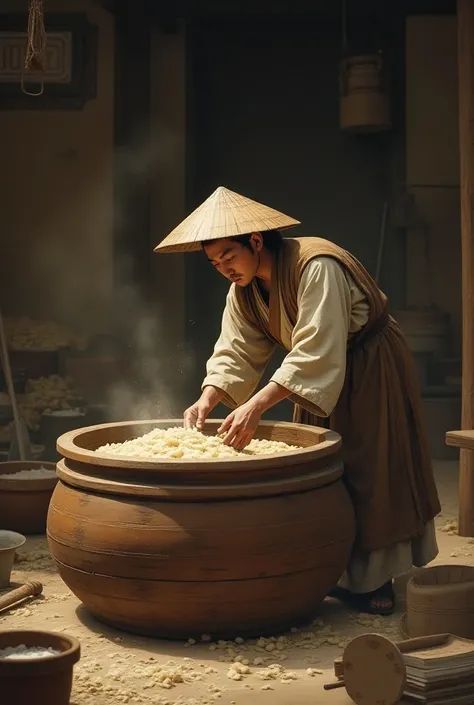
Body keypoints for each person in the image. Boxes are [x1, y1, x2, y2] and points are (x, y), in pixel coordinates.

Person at [154, 186, 441, 616]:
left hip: (367, 365)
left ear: (255, 241)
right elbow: (236, 349)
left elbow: (314, 351)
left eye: (229, 256)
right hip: (311, 379)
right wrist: (208, 397)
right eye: (214, 263)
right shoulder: (245, 289)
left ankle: (375, 580)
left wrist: (255, 405)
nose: (224, 269)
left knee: (372, 468)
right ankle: (335, 568)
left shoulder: (317, 264)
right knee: (325, 467)